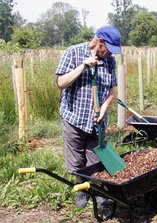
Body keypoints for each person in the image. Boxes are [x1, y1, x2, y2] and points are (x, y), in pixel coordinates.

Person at [55, 25, 122, 208]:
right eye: (109, 49)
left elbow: (110, 92)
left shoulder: (110, 61)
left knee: (95, 159)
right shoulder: (73, 52)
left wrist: (103, 109)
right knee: (76, 160)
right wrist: (83, 66)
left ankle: (97, 191)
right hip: (74, 118)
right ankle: (82, 191)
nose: (110, 54)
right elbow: (61, 83)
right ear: (100, 42)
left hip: (96, 121)